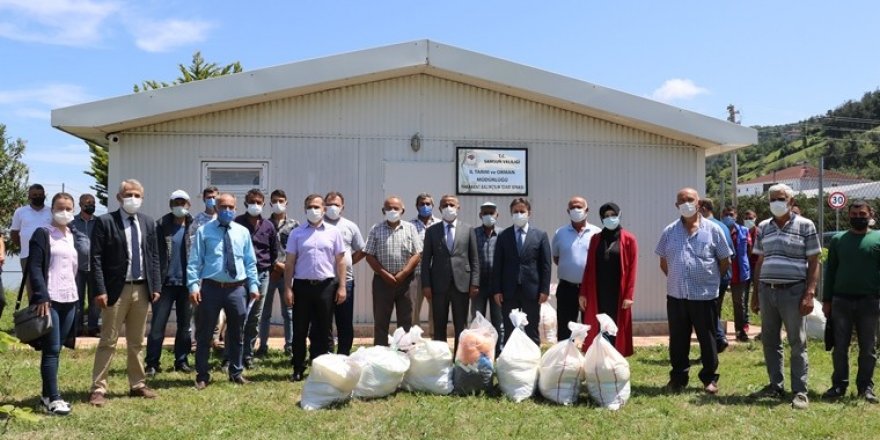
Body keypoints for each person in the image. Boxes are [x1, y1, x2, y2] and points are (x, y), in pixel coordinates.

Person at [88, 179, 162, 407]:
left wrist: (156, 285)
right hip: (114, 291)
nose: (133, 198)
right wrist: (100, 289)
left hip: (142, 288)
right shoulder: (105, 222)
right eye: (128, 194)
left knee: (137, 341)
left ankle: (138, 384)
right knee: (108, 341)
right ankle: (99, 388)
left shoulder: (148, 222)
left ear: (142, 197)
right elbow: (96, 258)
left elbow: (153, 255)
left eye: (137, 195)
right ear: (119, 198)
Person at [750, 183, 821, 410]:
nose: (775, 203)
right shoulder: (763, 227)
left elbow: (814, 261)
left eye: (780, 198)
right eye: (772, 199)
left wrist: (809, 293)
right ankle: (775, 385)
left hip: (793, 291)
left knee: (797, 342)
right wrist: (755, 293)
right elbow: (760, 261)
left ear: (791, 201)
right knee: (770, 341)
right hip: (767, 291)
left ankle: (800, 392)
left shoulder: (805, 225)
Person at [655, 188, 732, 395]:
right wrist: (678, 278)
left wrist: (710, 278)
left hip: (704, 296)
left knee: (707, 339)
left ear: (699, 204)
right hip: (676, 295)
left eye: (690, 200)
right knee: (678, 339)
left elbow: (725, 261)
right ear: (676, 205)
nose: (686, 203)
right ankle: (678, 378)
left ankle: (709, 378)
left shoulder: (713, 230)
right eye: (681, 200)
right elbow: (663, 261)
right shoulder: (669, 231)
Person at [187, 193, 260, 389]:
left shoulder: (242, 232)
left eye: (231, 207)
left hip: (236, 289)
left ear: (236, 208)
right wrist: (193, 285)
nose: (227, 210)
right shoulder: (204, 231)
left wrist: (253, 285)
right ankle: (202, 375)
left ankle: (236, 372)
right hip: (211, 288)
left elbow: (250, 262)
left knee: (237, 332)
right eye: (223, 207)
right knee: (205, 333)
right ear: (216, 208)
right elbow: (195, 261)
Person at [821, 199, 880, 403]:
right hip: (841, 301)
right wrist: (826, 300)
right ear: (849, 216)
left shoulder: (878, 238)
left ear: (870, 214)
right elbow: (830, 272)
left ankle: (866, 387)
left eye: (862, 215)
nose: (858, 218)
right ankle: (839, 385)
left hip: (870, 302)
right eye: (854, 215)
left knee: (868, 347)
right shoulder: (838, 240)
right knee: (840, 346)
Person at [284, 194, 347, 381]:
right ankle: (297, 367)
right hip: (302, 287)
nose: (314, 210)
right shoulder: (296, 233)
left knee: (324, 329)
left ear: (324, 209)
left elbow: (341, 261)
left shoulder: (334, 233)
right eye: (310, 207)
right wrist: (288, 288)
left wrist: (342, 286)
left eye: (317, 207)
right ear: (305, 209)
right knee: (300, 329)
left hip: (326, 286)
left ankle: (322, 367)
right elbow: (289, 263)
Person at [28, 192, 79, 415]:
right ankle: (54, 399)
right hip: (50, 299)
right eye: (60, 207)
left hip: (70, 297)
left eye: (69, 208)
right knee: (52, 349)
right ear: (52, 209)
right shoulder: (42, 233)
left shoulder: (71, 234)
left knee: (58, 350)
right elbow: (35, 267)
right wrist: (41, 296)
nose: (64, 212)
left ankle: (46, 395)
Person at [421, 194, 479, 352]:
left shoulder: (468, 229)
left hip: (462, 284)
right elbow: (425, 260)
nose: (449, 208)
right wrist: (426, 285)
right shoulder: (432, 231)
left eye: (452, 205)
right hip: (439, 285)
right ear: (439, 209)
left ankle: (460, 358)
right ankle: (441, 359)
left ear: (458, 207)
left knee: (461, 324)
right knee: (439, 324)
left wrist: (474, 282)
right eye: (445, 205)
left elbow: (474, 259)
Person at [145, 190, 194, 376]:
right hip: (164, 285)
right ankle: (152, 363)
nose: (179, 206)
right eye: (176, 202)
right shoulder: (160, 225)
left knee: (184, 327)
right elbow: (153, 256)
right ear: (170, 205)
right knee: (157, 325)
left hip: (187, 285)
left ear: (189, 204)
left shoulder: (194, 226)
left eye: (183, 202)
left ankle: (181, 361)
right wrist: (154, 285)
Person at [578, 202, 637, 356]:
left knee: (615, 327)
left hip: (618, 292)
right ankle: (598, 358)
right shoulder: (595, 239)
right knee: (597, 324)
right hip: (597, 292)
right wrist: (583, 293)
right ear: (601, 219)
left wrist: (629, 295)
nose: (610, 218)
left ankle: (614, 359)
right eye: (606, 216)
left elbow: (632, 269)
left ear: (619, 215)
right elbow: (588, 267)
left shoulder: (629, 239)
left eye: (613, 215)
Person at [492, 198, 551, 345]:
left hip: (532, 291)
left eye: (522, 211)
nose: (519, 214)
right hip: (508, 291)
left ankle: (533, 361)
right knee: (509, 328)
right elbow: (498, 264)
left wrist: (544, 290)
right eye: (515, 212)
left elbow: (546, 265)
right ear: (511, 213)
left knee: (531, 328)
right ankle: (510, 361)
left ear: (529, 213)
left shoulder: (540, 235)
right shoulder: (503, 236)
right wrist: (497, 290)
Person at [364, 196, 422, 346]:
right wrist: (385, 274)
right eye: (389, 208)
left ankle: (404, 354)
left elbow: (417, 254)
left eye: (396, 208)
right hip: (382, 282)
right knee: (381, 321)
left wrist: (403, 273)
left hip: (407, 282)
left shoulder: (410, 228)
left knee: (406, 321)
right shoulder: (376, 229)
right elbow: (369, 255)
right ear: (383, 210)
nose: (392, 211)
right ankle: (381, 355)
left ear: (403, 210)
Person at [234, 189, 277, 368]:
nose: (256, 205)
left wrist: (269, 267)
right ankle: (231, 356)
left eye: (259, 202)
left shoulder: (268, 226)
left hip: (262, 275)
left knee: (254, 317)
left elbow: (274, 251)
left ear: (264, 204)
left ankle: (248, 355)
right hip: (240, 276)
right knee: (236, 315)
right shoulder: (237, 223)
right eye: (252, 202)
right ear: (246, 203)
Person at [322, 191, 366, 356]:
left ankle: (344, 354)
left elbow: (362, 250)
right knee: (324, 320)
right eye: (329, 204)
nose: (333, 208)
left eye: (336, 205)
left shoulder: (350, 226)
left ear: (342, 207)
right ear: (324, 206)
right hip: (323, 281)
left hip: (345, 281)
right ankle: (326, 352)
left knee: (344, 320)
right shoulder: (318, 224)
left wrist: (346, 264)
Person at [257, 189, 299, 357]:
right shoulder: (264, 224)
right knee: (264, 313)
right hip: (268, 273)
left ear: (287, 202)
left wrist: (285, 268)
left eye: (281, 200)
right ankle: (262, 346)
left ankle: (290, 345)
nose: (278, 204)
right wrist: (274, 266)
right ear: (270, 204)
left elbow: (298, 250)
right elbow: (261, 249)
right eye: (275, 201)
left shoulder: (295, 225)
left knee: (289, 312)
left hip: (288, 274)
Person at [551, 196, 600, 340]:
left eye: (579, 207)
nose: (576, 210)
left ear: (587, 210)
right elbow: (557, 258)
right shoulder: (560, 233)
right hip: (567, 288)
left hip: (590, 289)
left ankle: (590, 356)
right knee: (565, 327)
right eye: (572, 208)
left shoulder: (597, 233)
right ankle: (565, 359)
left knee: (591, 326)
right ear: (568, 211)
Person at [188, 186, 224, 350]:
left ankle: (215, 339)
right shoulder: (197, 220)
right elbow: (191, 245)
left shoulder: (224, 219)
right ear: (203, 199)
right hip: (202, 271)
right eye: (208, 197)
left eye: (214, 197)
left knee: (218, 309)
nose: (211, 200)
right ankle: (196, 339)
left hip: (219, 271)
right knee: (199, 307)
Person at [698, 198, 734, 352]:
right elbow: (731, 253)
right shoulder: (723, 226)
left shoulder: (706, 228)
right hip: (723, 275)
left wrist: (714, 276)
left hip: (714, 276)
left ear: (704, 209)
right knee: (713, 310)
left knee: (707, 312)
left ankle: (717, 340)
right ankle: (718, 338)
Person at [471, 201, 504, 349]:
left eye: (492, 213)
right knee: (478, 320)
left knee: (499, 320)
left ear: (497, 215)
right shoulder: (473, 234)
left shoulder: (503, 234)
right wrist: (473, 282)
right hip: (479, 284)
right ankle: (479, 350)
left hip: (498, 285)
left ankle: (498, 351)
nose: (488, 216)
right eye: (485, 213)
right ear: (480, 215)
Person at [11, 183, 53, 294]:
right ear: (29, 196)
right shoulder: (20, 212)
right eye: (34, 195)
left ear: (44, 196)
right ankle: (33, 311)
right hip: (27, 255)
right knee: (32, 289)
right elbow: (14, 234)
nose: (38, 197)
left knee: (49, 288)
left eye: (40, 194)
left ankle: (48, 311)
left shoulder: (51, 211)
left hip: (49, 255)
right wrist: (24, 246)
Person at [720, 206, 752, 342]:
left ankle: (740, 331)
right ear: (721, 216)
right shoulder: (718, 230)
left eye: (731, 214)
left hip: (739, 273)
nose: (729, 216)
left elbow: (749, 250)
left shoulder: (744, 231)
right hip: (722, 272)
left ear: (736, 216)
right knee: (717, 303)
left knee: (739, 303)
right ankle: (718, 334)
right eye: (726, 214)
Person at [410, 193, 438, 336]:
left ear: (433, 206)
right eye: (422, 204)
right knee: (413, 311)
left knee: (436, 311)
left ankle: (435, 341)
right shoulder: (409, 226)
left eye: (428, 204)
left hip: (436, 275)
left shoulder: (440, 225)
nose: (425, 206)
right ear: (417, 206)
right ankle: (415, 342)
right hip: (416, 274)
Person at [71, 193, 99, 337]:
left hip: (95, 267)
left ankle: (93, 327)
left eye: (93, 203)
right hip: (78, 268)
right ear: (81, 205)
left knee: (94, 299)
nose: (91, 206)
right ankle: (78, 327)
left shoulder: (99, 222)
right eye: (87, 203)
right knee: (78, 299)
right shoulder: (73, 222)